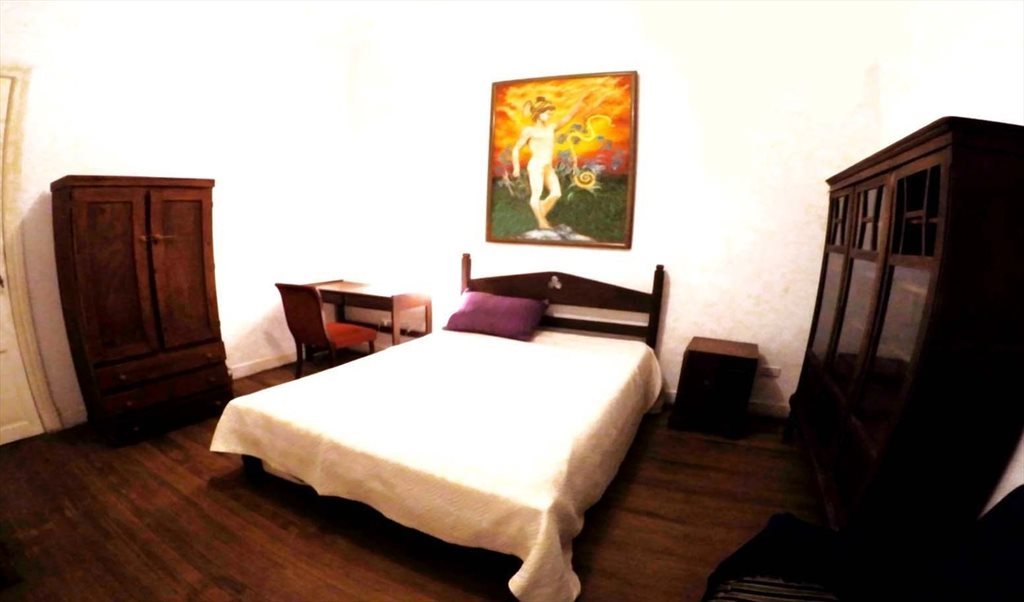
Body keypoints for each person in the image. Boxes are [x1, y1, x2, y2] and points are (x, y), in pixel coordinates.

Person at [511, 94, 590, 230]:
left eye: (551, 114)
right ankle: (542, 223)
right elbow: (516, 148)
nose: (549, 116)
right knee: (536, 194)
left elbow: (567, 117)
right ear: (538, 113)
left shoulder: (551, 128)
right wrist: (516, 167)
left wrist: (579, 104)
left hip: (548, 166)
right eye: (547, 113)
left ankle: (540, 211)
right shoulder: (529, 130)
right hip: (536, 165)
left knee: (556, 193)